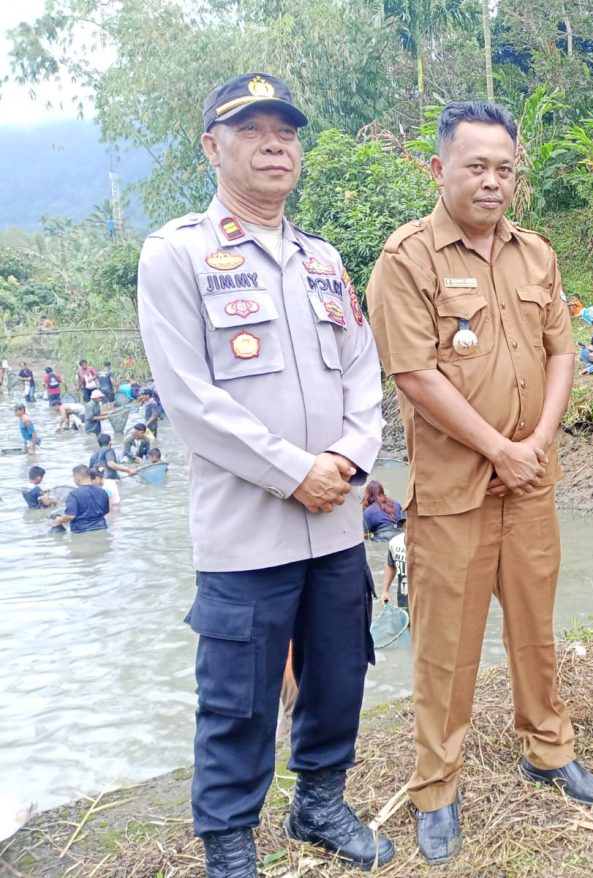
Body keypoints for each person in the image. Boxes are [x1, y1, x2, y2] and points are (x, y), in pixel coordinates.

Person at [136, 73, 390, 876]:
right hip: (246, 533)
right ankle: (230, 842)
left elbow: (363, 373)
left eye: (286, 130)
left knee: (339, 673)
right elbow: (190, 400)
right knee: (238, 697)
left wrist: (348, 460)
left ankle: (319, 805)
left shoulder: (324, 259)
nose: (274, 143)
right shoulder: (176, 254)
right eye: (251, 130)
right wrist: (293, 473)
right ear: (213, 147)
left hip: (337, 522)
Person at [366, 100, 593, 865]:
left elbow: (563, 354)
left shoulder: (536, 254)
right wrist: (498, 449)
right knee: (447, 644)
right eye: (476, 166)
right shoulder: (405, 259)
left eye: (505, 168)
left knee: (536, 628)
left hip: (532, 483)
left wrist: (537, 440)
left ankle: (548, 748)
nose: (492, 181)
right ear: (439, 169)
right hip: (455, 493)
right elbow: (415, 374)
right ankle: (435, 787)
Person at [50, 464, 110, 533]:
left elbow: (70, 516)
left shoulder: (74, 494)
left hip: (81, 530)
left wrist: (59, 520)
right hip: (102, 528)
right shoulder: (103, 491)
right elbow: (106, 511)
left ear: (77, 478)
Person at [381, 530, 409, 609]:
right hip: (403, 600)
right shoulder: (395, 543)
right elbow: (391, 565)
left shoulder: (430, 545)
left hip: (426, 603)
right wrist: (385, 591)